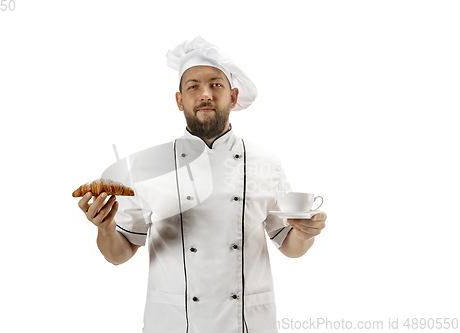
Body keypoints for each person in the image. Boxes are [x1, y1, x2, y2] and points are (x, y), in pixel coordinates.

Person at [77, 36, 327, 333]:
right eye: (193, 86)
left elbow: (291, 247)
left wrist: (306, 233)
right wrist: (105, 229)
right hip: (173, 324)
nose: (205, 94)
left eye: (216, 84)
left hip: (246, 324)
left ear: (233, 97)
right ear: (180, 100)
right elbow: (118, 254)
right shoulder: (147, 167)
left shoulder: (266, 163)